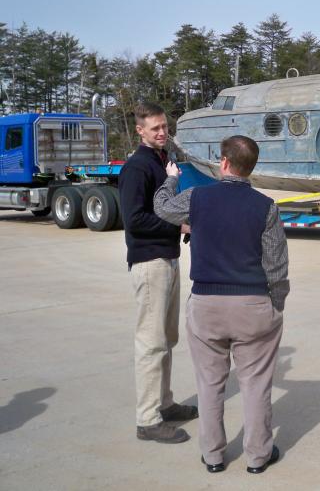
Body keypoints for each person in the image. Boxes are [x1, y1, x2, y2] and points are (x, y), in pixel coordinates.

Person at [153, 135, 289, 474]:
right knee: (256, 385)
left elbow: (162, 207)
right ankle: (258, 456)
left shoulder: (197, 197)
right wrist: (276, 305)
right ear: (251, 168)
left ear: (223, 162)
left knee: (210, 384)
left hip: (207, 304)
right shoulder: (266, 207)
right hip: (252, 306)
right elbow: (276, 265)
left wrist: (171, 177)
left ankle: (213, 455)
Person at [118, 102, 198, 444]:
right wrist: (179, 227)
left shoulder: (162, 162)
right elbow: (134, 219)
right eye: (155, 129)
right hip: (150, 262)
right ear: (140, 130)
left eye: (164, 126)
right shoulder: (137, 167)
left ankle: (164, 403)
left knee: (167, 338)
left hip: (167, 259)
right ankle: (147, 419)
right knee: (151, 342)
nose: (162, 132)